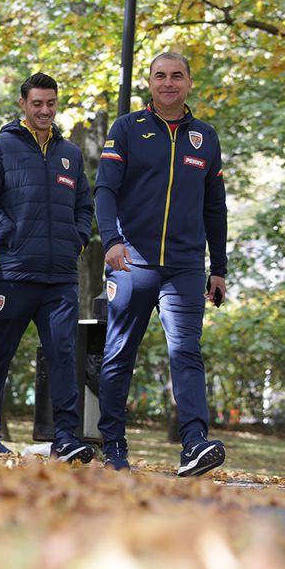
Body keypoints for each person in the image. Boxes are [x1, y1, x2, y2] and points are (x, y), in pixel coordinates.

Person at [95, 52, 228, 476]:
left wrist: (219, 267)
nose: (168, 83)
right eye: (159, 77)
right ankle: (113, 444)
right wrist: (112, 241)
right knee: (119, 353)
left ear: (189, 83)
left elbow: (215, 208)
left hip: (186, 266)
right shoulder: (127, 129)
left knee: (187, 351)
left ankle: (194, 444)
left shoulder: (205, 138)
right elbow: (104, 191)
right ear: (149, 84)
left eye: (176, 76)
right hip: (132, 260)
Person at [0, 72, 95, 461]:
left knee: (63, 353)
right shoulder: (1, 148)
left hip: (59, 277)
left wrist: (77, 237)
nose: (44, 110)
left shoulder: (69, 154)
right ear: (23, 104)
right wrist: (8, 234)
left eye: (50, 103)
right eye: (37, 103)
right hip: (14, 271)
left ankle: (65, 437)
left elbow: (85, 206)